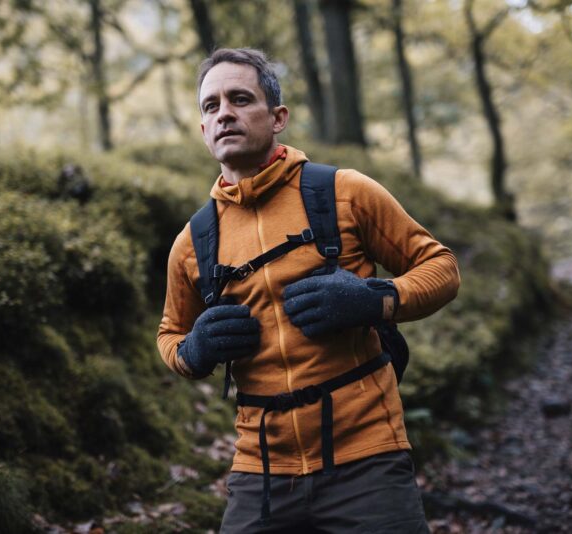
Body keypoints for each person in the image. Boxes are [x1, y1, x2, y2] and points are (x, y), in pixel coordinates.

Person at [157, 47, 460, 533]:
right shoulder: (193, 242)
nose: (224, 113)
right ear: (202, 130)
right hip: (260, 474)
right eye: (211, 106)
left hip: (367, 458)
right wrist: (194, 350)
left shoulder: (345, 192)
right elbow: (169, 334)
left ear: (278, 117)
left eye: (240, 99)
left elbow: (441, 268)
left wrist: (375, 300)